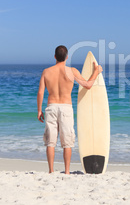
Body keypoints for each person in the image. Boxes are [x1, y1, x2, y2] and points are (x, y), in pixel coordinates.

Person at [37, 45, 103, 174]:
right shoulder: (72, 71)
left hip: (51, 107)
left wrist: (39, 110)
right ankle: (67, 171)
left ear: (55, 56)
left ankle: (51, 171)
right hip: (66, 108)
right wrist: (96, 71)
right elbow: (88, 85)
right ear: (67, 57)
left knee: (50, 141)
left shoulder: (46, 72)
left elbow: (40, 92)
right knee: (67, 142)